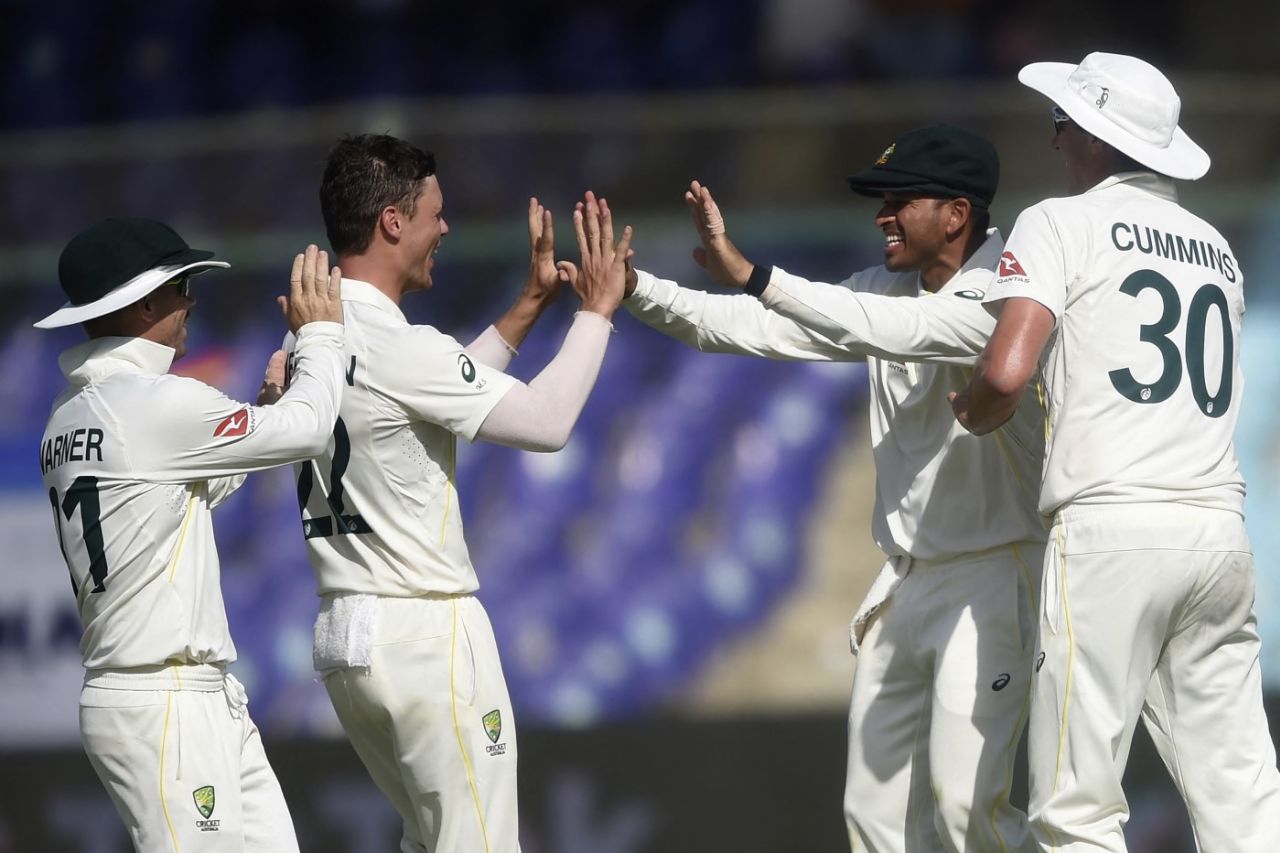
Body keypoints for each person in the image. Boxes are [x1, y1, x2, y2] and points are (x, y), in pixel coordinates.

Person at [622, 125, 1043, 852]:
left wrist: (758, 272)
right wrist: (635, 288)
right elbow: (753, 326)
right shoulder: (884, 287)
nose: (881, 214)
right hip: (907, 580)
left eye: (899, 198)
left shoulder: (1002, 293)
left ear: (956, 214)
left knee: (969, 810)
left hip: (991, 582)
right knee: (873, 819)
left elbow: (890, 329)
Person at [951, 52, 1280, 852]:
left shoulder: (1058, 223)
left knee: (1076, 807)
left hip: (1110, 532)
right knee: (1240, 792)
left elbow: (1005, 370)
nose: (1056, 137)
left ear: (1094, 134)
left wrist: (973, 410)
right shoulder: (1217, 247)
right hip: (1217, 534)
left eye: (1063, 121)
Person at [281, 133, 631, 853]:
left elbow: (420, 400)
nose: (446, 228)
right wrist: (596, 310)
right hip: (425, 635)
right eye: (436, 214)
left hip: (349, 644)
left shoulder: (304, 345)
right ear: (392, 223)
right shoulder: (403, 346)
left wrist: (529, 305)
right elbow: (546, 421)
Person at [37, 218, 346, 852]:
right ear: (144, 302)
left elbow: (177, 493)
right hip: (164, 700)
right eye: (181, 286)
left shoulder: (69, 417)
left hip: (177, 695)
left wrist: (261, 413)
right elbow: (312, 429)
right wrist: (321, 333)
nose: (191, 301)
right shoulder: (156, 403)